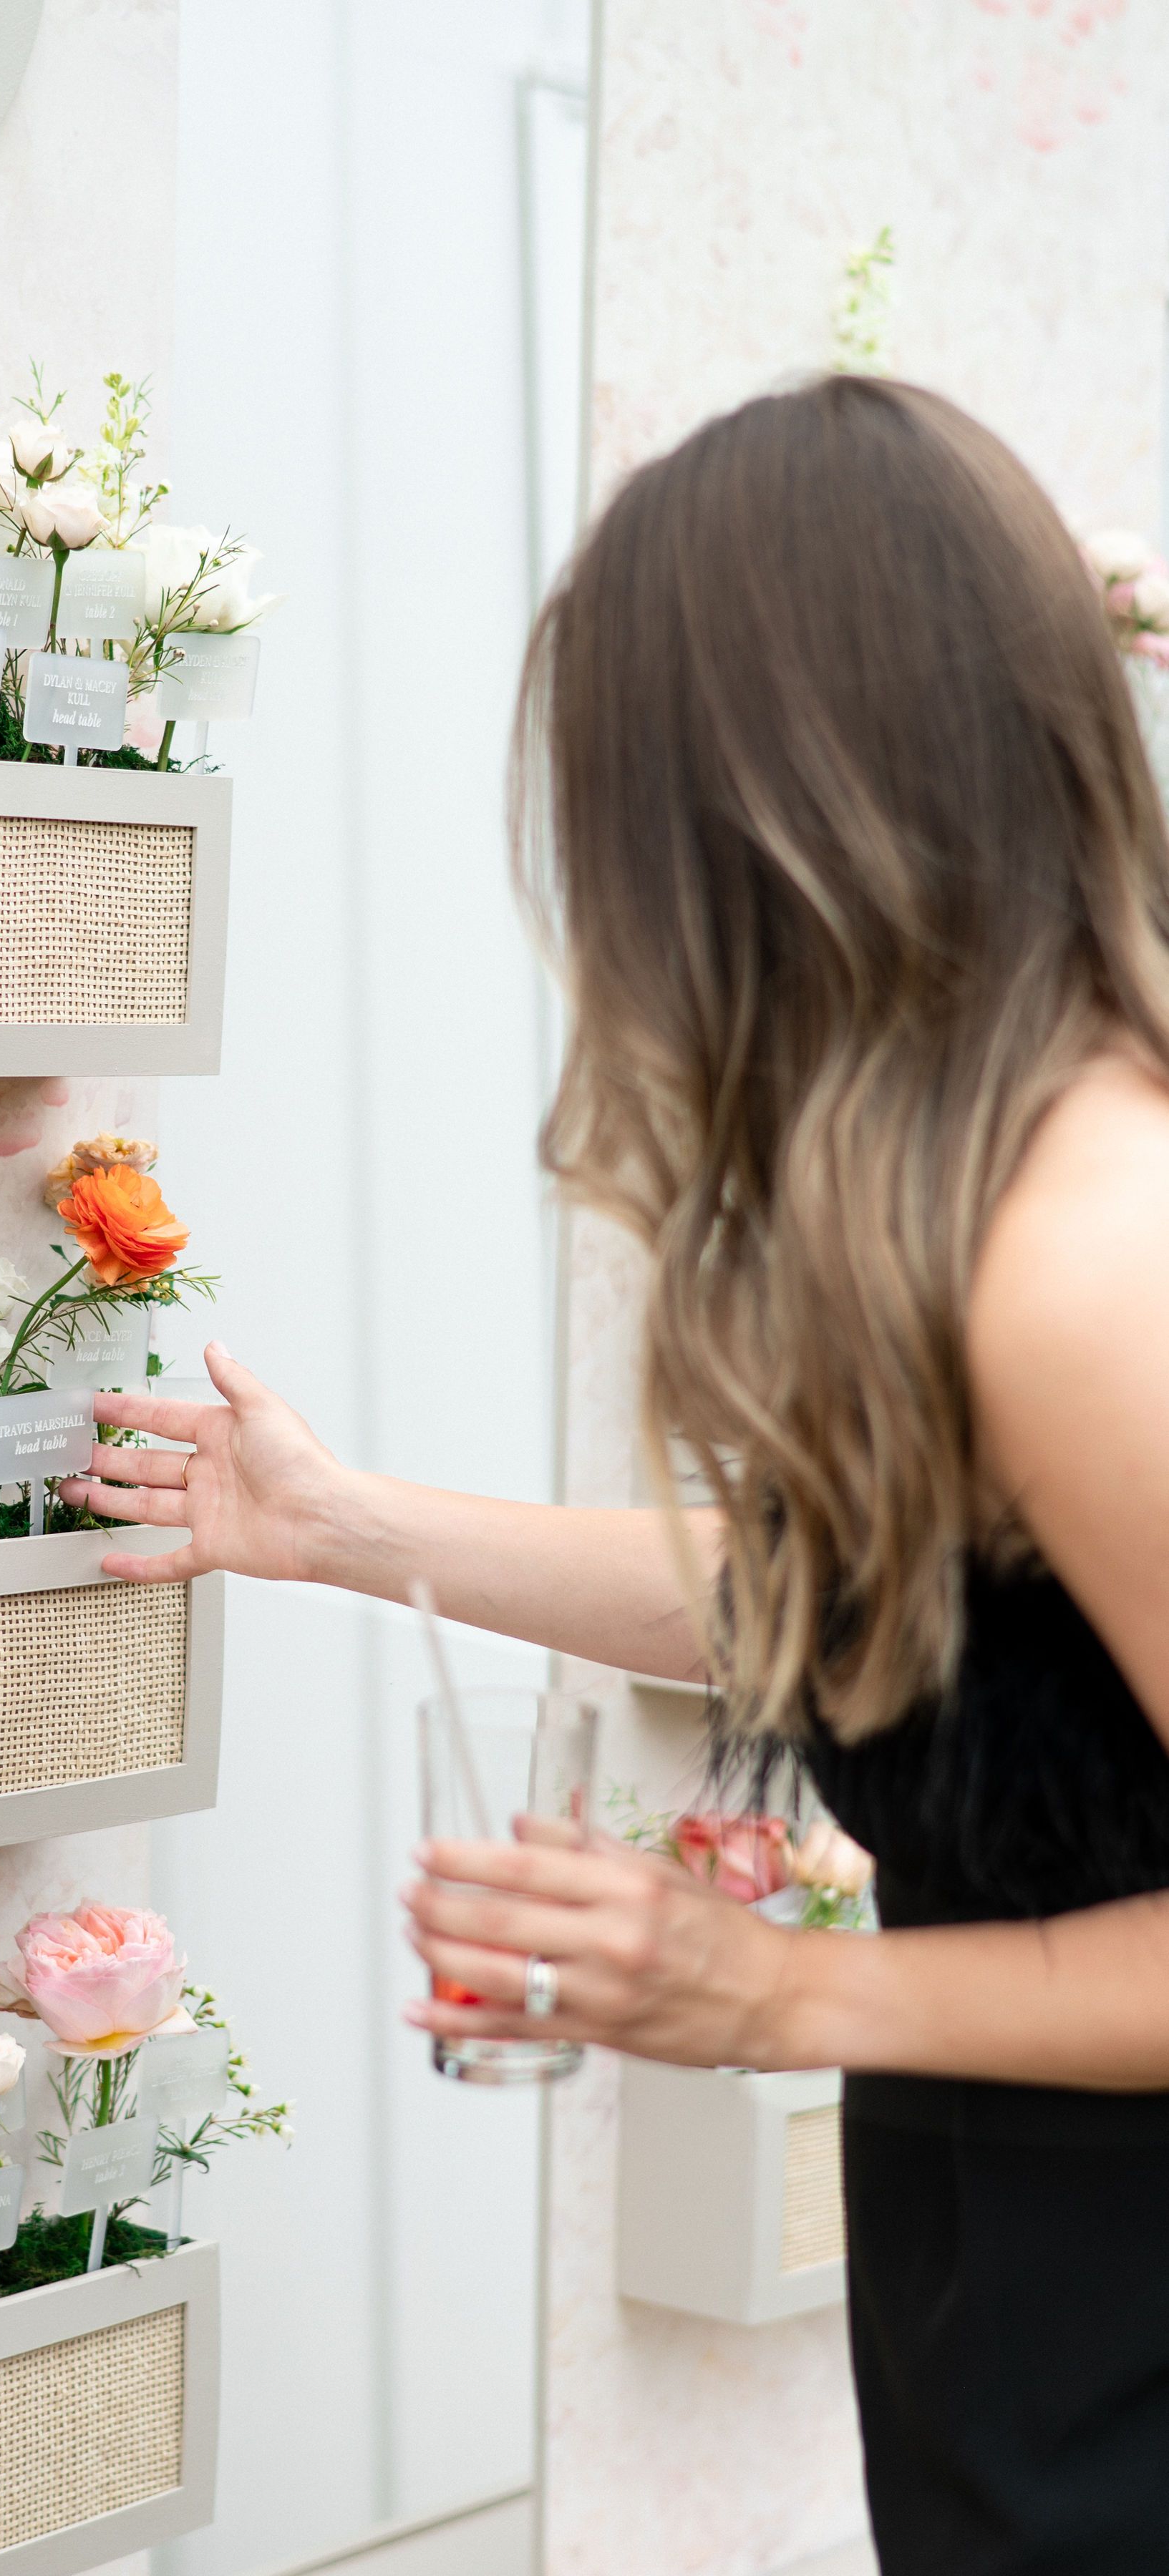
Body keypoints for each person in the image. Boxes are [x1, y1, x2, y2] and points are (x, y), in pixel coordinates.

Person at [58, 376, 1169, 2575]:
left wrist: (780, 1994)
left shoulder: (1084, 1255)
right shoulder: (992, 1187)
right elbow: (870, 1602)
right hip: (1014, 2264)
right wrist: (338, 1528)